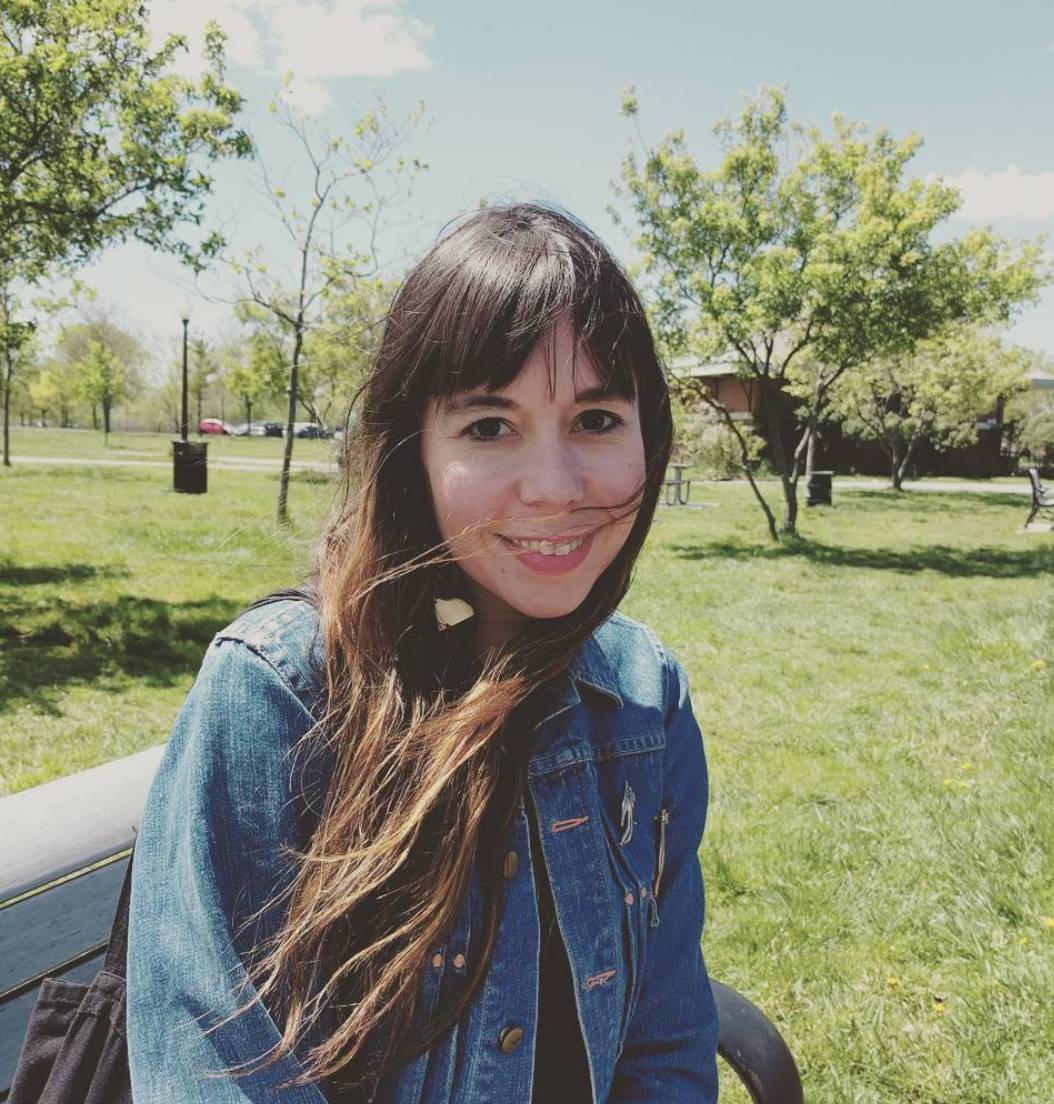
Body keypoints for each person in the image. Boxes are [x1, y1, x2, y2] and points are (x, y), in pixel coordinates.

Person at [127, 203, 720, 1103]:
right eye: (488, 426)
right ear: (414, 453)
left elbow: (666, 1048)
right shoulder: (282, 694)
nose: (554, 488)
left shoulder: (646, 696)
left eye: (597, 418)